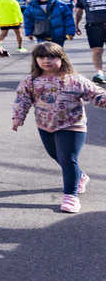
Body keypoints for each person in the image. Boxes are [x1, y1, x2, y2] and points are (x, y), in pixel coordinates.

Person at [11, 42, 106, 213]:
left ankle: (70, 196)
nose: (46, 60)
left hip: (72, 125)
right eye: (42, 57)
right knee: (57, 156)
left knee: (67, 158)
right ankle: (80, 176)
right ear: (36, 59)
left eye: (52, 57)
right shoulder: (31, 80)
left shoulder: (75, 80)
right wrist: (18, 117)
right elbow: (22, 99)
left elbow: (97, 95)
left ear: (62, 58)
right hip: (45, 125)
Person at [74, 0, 106, 83]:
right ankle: (100, 73)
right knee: (97, 51)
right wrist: (76, 26)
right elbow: (79, 12)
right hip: (93, 27)